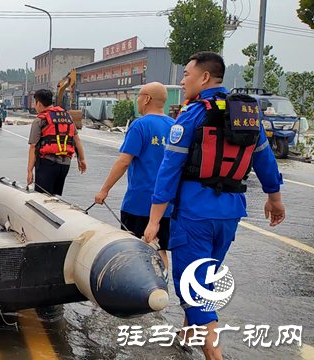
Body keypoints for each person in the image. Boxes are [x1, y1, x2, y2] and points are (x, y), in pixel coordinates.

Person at [143, 52, 285, 360]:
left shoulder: (192, 114)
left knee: (193, 289)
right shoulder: (245, 114)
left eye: (187, 75)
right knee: (203, 279)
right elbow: (265, 159)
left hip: (195, 214)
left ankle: (215, 355)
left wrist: (155, 220)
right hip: (230, 213)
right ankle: (186, 336)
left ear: (204, 78)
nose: (182, 81)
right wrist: (274, 198)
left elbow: (169, 169)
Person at [94, 82, 174, 269]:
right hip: (167, 204)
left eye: (138, 96)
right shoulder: (175, 125)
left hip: (140, 202)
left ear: (146, 99)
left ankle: (140, 291)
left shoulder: (140, 125)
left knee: (137, 249)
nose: (136, 100)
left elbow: (123, 162)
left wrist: (104, 190)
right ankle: (161, 284)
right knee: (160, 248)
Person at [27, 89, 87, 196]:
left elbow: (33, 147)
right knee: (53, 195)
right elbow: (76, 139)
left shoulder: (40, 120)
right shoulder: (67, 117)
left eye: (35, 103)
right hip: (64, 165)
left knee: (42, 197)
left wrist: (29, 171)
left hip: (47, 164)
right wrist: (81, 159)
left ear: (38, 103)